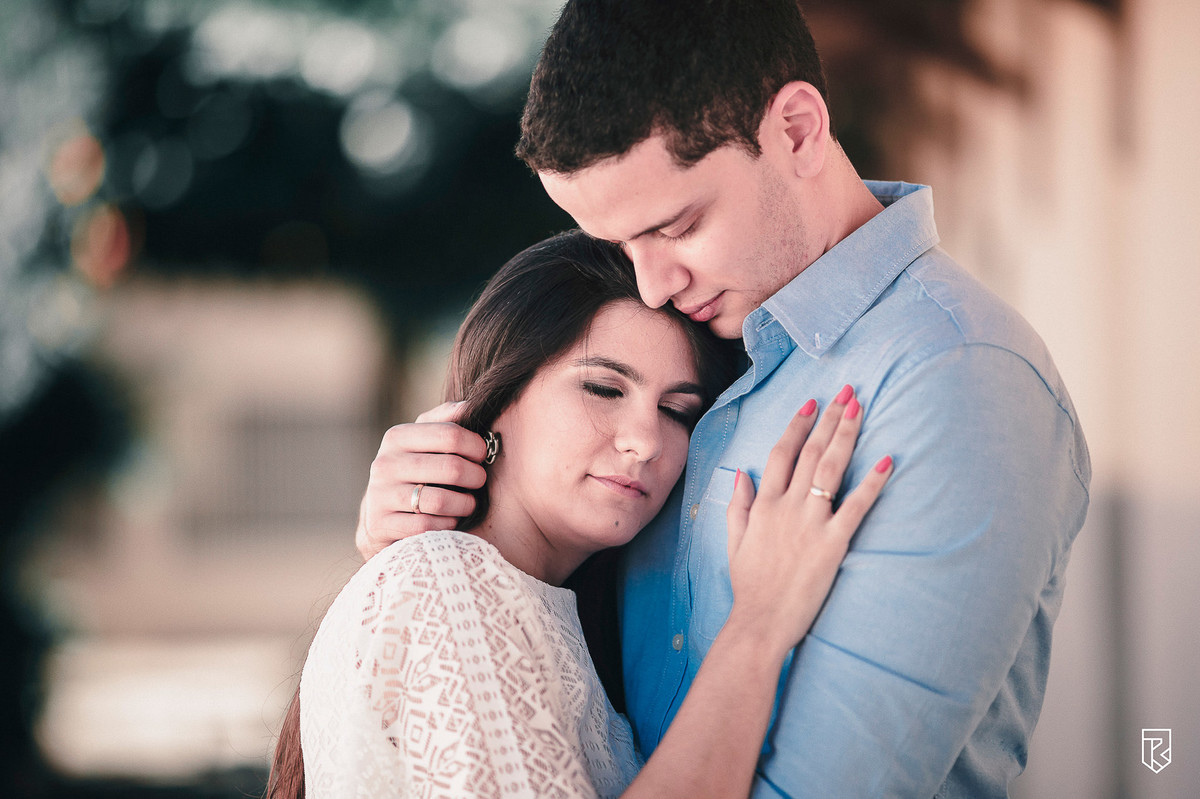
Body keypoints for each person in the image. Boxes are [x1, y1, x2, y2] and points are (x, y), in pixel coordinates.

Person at [357, 1, 1092, 796]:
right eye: (618, 246)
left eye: (675, 227)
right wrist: (439, 536)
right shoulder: (691, 340)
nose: (651, 283)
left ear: (799, 130)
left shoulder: (954, 382)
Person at [268, 231, 892, 798]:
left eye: (678, 411)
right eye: (604, 388)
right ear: (500, 392)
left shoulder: (548, 606)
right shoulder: (446, 582)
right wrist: (760, 624)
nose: (645, 440)